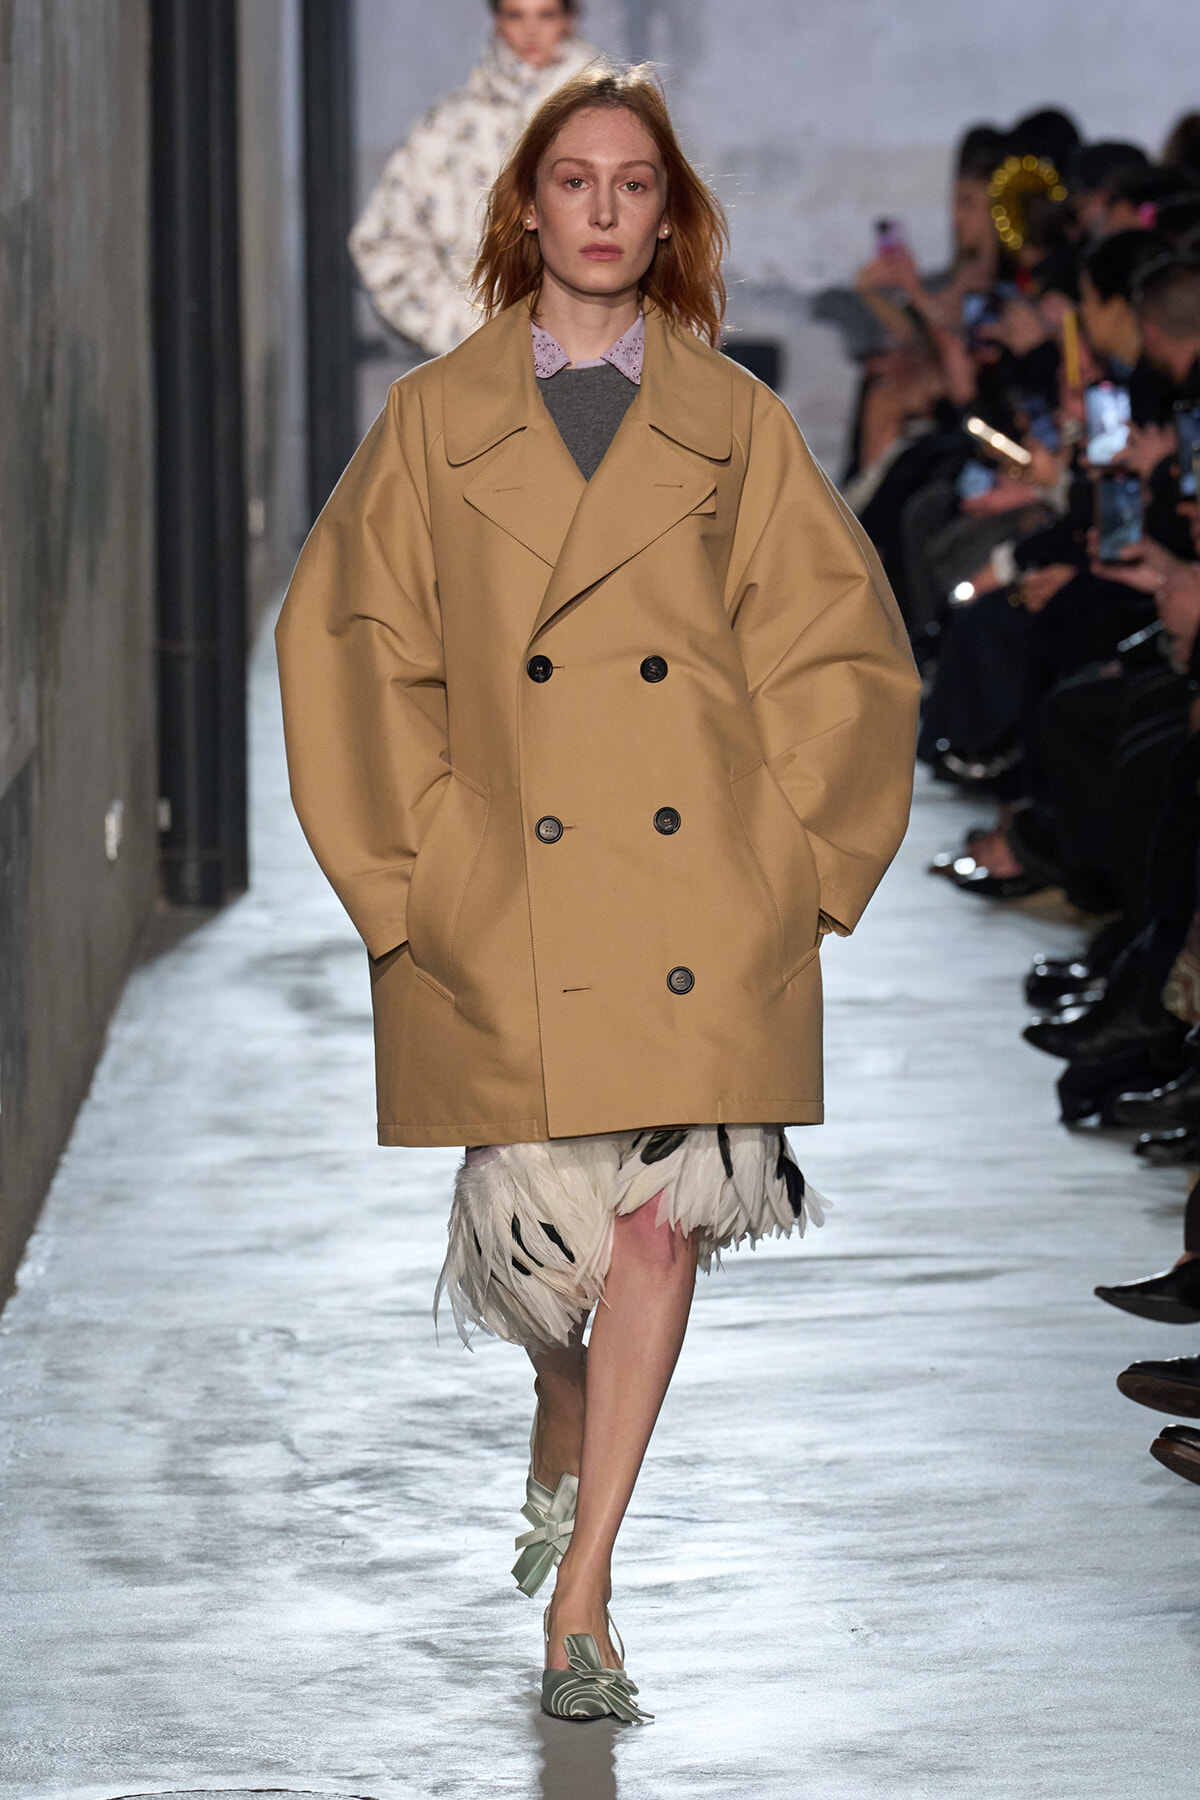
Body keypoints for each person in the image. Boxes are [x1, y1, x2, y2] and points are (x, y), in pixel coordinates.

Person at [277, 62, 920, 1721]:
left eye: (639, 184)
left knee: (654, 1237)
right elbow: (349, 646)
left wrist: (798, 863)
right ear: (530, 206)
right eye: (578, 181)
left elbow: (839, 644)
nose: (608, 210)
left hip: (695, 893)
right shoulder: (435, 426)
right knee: (547, 1266)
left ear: (667, 213)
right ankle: (565, 1424)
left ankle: (587, 1594)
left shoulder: (732, 423)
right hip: (515, 899)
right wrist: (415, 878)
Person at [349, 0, 600, 357]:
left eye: (546, 14)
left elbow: (668, 235)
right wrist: (463, 329)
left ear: (569, 18)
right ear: (497, 20)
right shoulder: (449, 125)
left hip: (603, 363)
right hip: (483, 374)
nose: (530, 32)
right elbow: (383, 244)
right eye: (515, 15)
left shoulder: (616, 120)